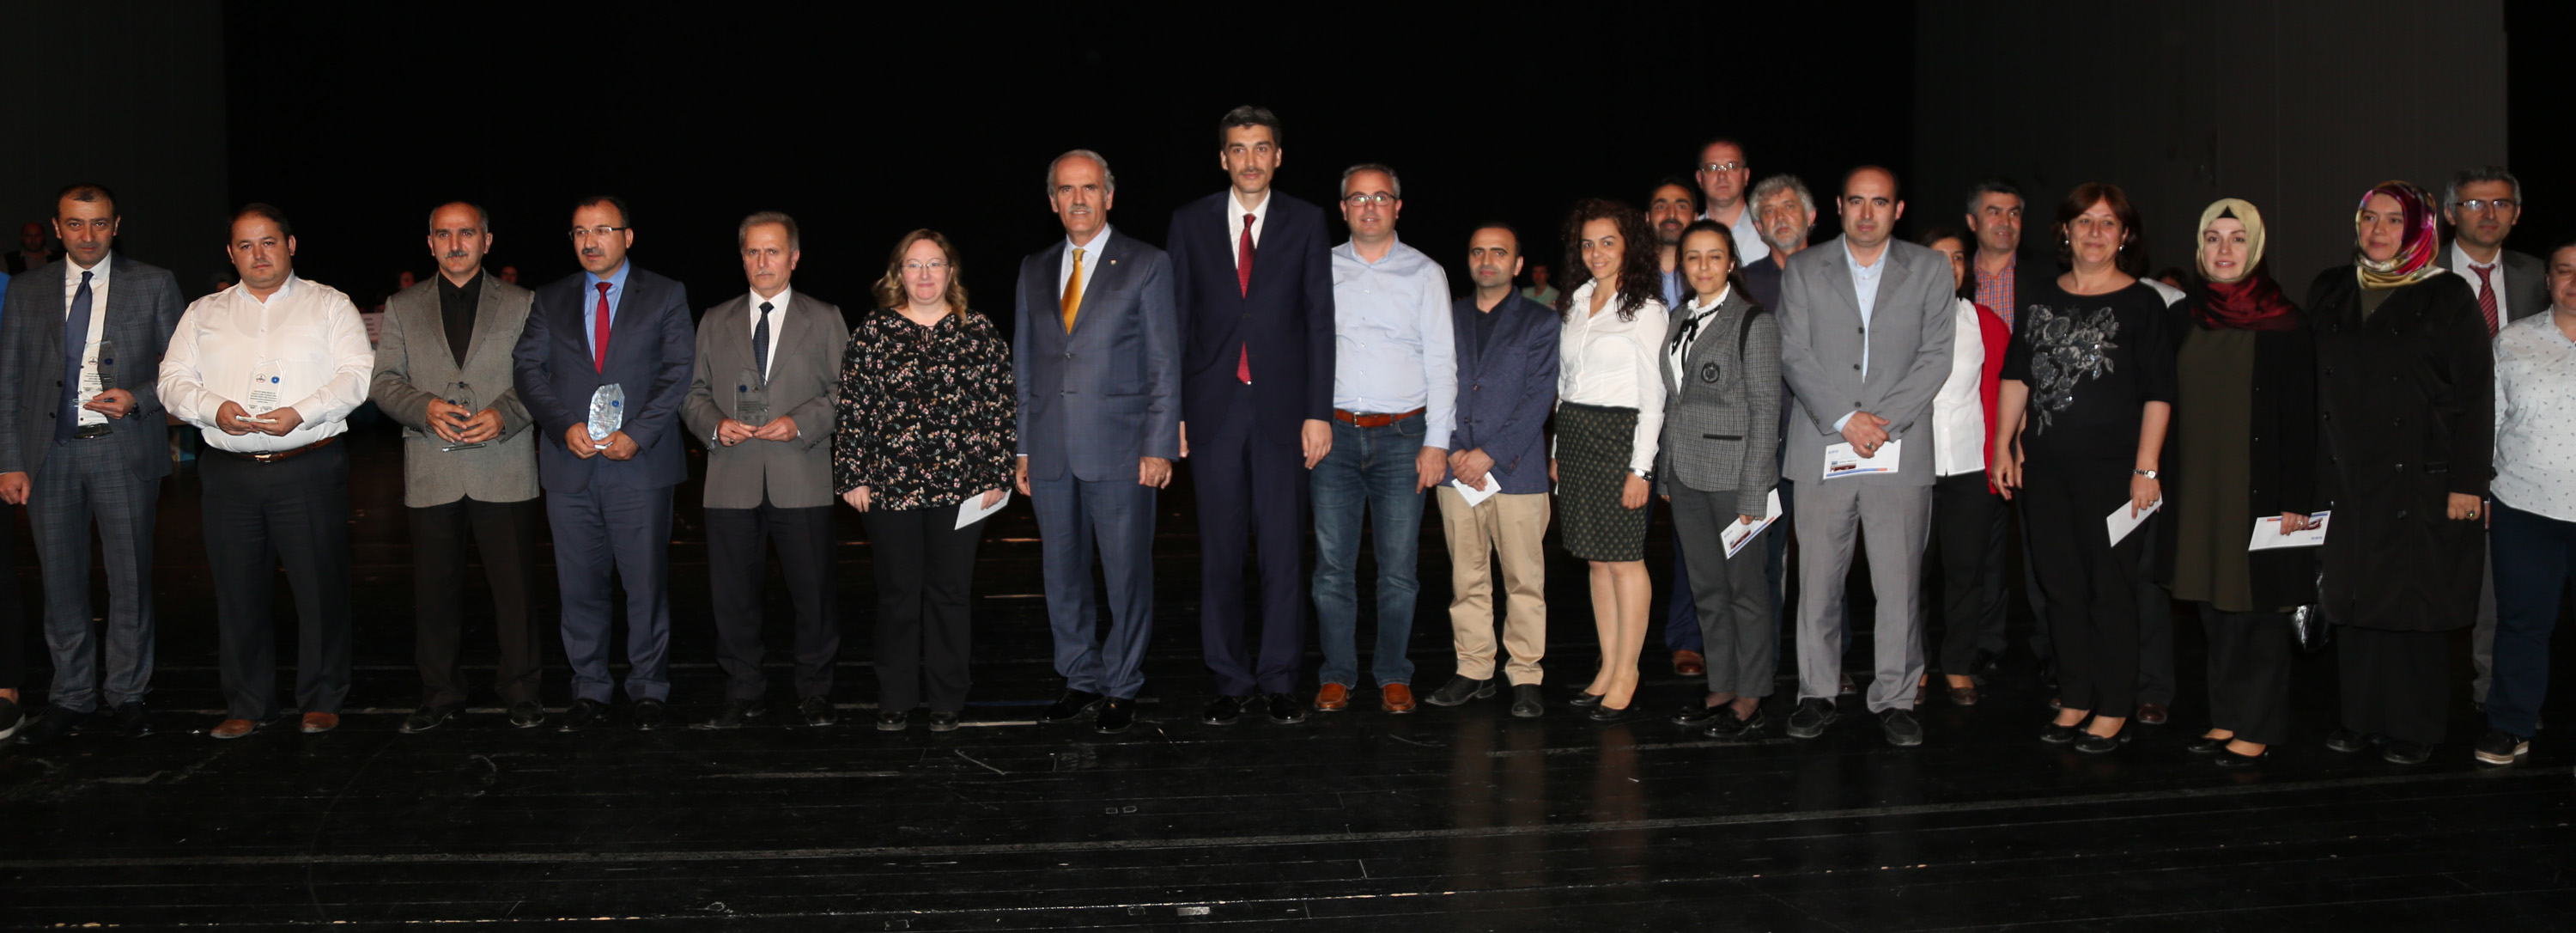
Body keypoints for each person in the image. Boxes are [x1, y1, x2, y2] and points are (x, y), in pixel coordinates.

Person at [158, 204, 374, 739]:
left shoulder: (330, 304)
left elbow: (356, 375)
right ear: (231, 254)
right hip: (229, 474)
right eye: (245, 245)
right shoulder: (203, 312)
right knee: (237, 592)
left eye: (269, 242)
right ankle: (248, 703)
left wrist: (301, 412)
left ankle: (322, 698)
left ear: (291, 245)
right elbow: (172, 381)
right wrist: (213, 408)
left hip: (308, 465)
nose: (258, 254)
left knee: (320, 589)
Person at [1990, 182, 2178, 755]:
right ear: (2065, 232)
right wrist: (2003, 444)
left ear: (2125, 236)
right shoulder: (2038, 296)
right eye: (2084, 221)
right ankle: (2074, 697)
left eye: (2108, 223)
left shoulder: (2144, 303)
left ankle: (2115, 705)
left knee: (2111, 590)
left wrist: (2146, 470)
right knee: (2060, 588)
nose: (2095, 232)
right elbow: (2017, 374)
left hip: (2115, 475)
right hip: (2045, 471)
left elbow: (2159, 392)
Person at [1168, 106, 1336, 727]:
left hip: (1284, 413)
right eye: (1238, 149)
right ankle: (1230, 679)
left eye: (1261, 148)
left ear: (1278, 156)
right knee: (1219, 554)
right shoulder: (1189, 222)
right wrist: (1174, 413)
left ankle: (1280, 679)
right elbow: (1175, 323)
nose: (1250, 160)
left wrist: (1318, 411)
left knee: (1283, 553)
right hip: (1212, 411)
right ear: (1223, 159)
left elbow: (1319, 322)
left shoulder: (1306, 221)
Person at [2312, 180, 2491, 766]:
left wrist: (2467, 482)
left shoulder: (2447, 294)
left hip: (2419, 475)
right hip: (2344, 471)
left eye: (2394, 220)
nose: (2379, 230)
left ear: (2419, 230)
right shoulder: (2331, 287)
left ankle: (2415, 726)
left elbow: (2475, 395)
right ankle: (2360, 718)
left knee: (2414, 604)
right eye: (2370, 217)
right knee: (2353, 599)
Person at [1776, 167, 1954, 747]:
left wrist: (1882, 422)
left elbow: (1937, 355)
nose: (1868, 212)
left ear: (1898, 209)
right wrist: (1844, 419)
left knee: (1899, 585)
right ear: (1838, 206)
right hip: (1823, 445)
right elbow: (1793, 352)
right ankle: (1817, 692)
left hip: (1899, 449)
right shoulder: (1804, 268)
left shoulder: (1929, 268)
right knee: (1817, 583)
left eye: (1880, 202)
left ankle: (1896, 697)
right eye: (1857, 201)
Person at [0, 183, 183, 745]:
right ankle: (71, 696)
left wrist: (139, 397)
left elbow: (183, 370)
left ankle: (128, 694)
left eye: (99, 223)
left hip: (121, 449)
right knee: (60, 582)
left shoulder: (153, 283)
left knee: (130, 581)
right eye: (75, 224)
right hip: (48, 455)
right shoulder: (26, 289)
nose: (87, 235)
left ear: (116, 225)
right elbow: (8, 380)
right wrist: (9, 460)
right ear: (57, 228)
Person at [511, 195, 696, 732]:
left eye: (602, 230)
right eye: (579, 232)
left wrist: (637, 433)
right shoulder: (549, 298)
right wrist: (560, 424)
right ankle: (589, 686)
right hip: (570, 465)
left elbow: (678, 372)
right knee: (578, 587)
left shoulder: (665, 294)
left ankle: (648, 687)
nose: (589, 241)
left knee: (645, 586)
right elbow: (527, 370)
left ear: (627, 237)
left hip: (640, 465)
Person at [1012, 149, 1179, 735]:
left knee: (1126, 574)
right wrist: (1022, 448)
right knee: (1062, 574)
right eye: (1067, 189)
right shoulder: (1033, 268)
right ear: (1052, 201)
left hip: (1123, 450)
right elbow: (1025, 364)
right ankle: (1080, 676)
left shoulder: (1147, 263)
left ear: (1109, 196)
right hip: (1050, 449)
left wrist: (1159, 445)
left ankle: (1123, 683)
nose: (1078, 199)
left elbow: (1164, 362)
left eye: (1089, 188)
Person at [369, 201, 544, 732]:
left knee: (516, 592)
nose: (455, 243)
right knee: (434, 593)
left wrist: (506, 414)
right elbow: (384, 381)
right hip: (433, 469)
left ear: (486, 241)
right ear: (429, 244)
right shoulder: (402, 306)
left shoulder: (523, 302)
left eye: (466, 232)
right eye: (443, 234)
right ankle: (440, 692)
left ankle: (522, 690)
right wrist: (423, 408)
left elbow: (541, 375)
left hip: (504, 464)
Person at [836, 229, 1015, 733]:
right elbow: (852, 407)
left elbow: (1002, 404)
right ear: (899, 273)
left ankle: (947, 699)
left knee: (950, 593)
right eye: (914, 265)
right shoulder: (874, 330)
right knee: (897, 594)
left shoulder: (978, 331)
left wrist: (998, 474)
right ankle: (895, 696)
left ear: (950, 271)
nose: (925, 274)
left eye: (934, 263)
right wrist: (852, 475)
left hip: (964, 488)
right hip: (888, 488)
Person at [2159, 198, 2315, 768]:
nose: (2224, 249)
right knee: (2213, 606)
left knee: (2260, 612)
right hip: (2198, 489)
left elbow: (2304, 419)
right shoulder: (2182, 317)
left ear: (2256, 246)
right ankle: (2226, 717)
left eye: (2237, 238)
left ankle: (2258, 725)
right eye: (2213, 238)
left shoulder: (2287, 322)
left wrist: (2297, 500)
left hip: (2262, 490)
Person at [682, 211, 848, 729]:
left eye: (772, 251)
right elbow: (692, 393)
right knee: (732, 597)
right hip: (731, 478)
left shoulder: (825, 317)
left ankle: (815, 690)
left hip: (802, 476)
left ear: (794, 258)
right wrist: (715, 424)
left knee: (813, 593)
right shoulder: (715, 319)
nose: (762, 261)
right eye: (752, 251)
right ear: (742, 258)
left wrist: (801, 423)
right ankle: (742, 689)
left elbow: (848, 391)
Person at [1312, 163, 1454, 715]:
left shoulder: (1426, 273)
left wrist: (1436, 441)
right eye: (1358, 198)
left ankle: (1394, 672)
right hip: (1333, 437)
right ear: (1343, 208)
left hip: (1403, 438)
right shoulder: (1318, 268)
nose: (1369, 207)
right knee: (1332, 568)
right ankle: (1337, 674)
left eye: (1380, 197)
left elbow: (1442, 362)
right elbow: (1302, 352)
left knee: (1398, 571)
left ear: (1398, 206)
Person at [1425, 223, 1558, 718]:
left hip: (1516, 472)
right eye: (1478, 251)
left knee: (1524, 580)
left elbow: (1539, 397)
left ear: (1517, 264)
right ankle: (1474, 667)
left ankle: (1525, 673)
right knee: (1467, 577)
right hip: (1455, 469)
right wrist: (1457, 452)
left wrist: (1490, 454)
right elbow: (1433, 383)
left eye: (1498, 252)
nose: (1487, 260)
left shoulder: (1541, 322)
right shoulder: (1447, 316)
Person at [1657, 219, 1781, 735]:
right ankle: (1723, 684)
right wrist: (1666, 473)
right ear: (1682, 265)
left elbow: (1766, 411)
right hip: (1685, 475)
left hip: (1735, 478)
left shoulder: (1753, 322)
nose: (1703, 266)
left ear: (1731, 262)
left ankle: (1751, 694)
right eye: (1693, 257)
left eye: (1714, 256)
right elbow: (1675, 401)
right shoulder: (1678, 317)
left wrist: (1755, 489)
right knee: (1707, 588)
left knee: (1745, 590)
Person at [1552, 198, 1668, 722]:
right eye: (1587, 244)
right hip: (1577, 438)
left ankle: (1628, 672)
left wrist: (1641, 468)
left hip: (1621, 439)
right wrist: (1558, 449)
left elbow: (1655, 398)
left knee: (1624, 559)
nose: (1596, 253)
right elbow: (1565, 383)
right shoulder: (1576, 301)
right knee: (1597, 560)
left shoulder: (1646, 309)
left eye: (1607, 242)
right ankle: (1607, 666)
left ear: (1629, 246)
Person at [2435, 167, 2546, 711]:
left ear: (2516, 214)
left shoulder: (2540, 276)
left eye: (2501, 204)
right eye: (2475, 204)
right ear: (2449, 213)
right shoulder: (2420, 274)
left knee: (2500, 592)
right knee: (2429, 581)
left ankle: (2495, 698)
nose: (2488, 214)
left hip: (2517, 456)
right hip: (2434, 451)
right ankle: (2418, 703)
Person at [2482, 241, 2576, 766]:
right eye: (2565, 271)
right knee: (2521, 622)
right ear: (2548, 280)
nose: (2574, 282)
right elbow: (2490, 423)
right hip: (2523, 506)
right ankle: (2510, 725)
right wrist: (2481, 487)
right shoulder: (2513, 340)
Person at [1914, 227, 2009, 707]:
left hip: (1971, 466)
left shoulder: (1985, 323)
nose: (1949, 266)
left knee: (1967, 573)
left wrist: (2007, 450)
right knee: (1910, 574)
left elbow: (2009, 393)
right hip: (1913, 468)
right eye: (1938, 257)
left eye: (1957, 257)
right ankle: (1913, 665)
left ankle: (1957, 663)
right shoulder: (1896, 322)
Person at [1646, 177, 1709, 678]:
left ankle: (1687, 639)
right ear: (1648, 217)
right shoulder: (1626, 275)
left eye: (1681, 205)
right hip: (1635, 426)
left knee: (1692, 541)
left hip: (1692, 427)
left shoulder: (1711, 279)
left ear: (1696, 215)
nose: (1671, 213)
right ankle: (1623, 641)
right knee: (1625, 540)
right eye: (1661, 205)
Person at [1741, 174, 1815, 313]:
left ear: (1810, 217)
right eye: (1769, 211)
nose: (1780, 217)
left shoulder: (1834, 275)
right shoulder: (1744, 285)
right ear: (1759, 227)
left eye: (1789, 206)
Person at [1693, 137, 1769, 266]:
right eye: (1712, 168)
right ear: (1700, 178)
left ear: (1746, 175)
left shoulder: (1769, 230)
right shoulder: (1687, 234)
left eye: (1732, 166)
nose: (1722, 176)